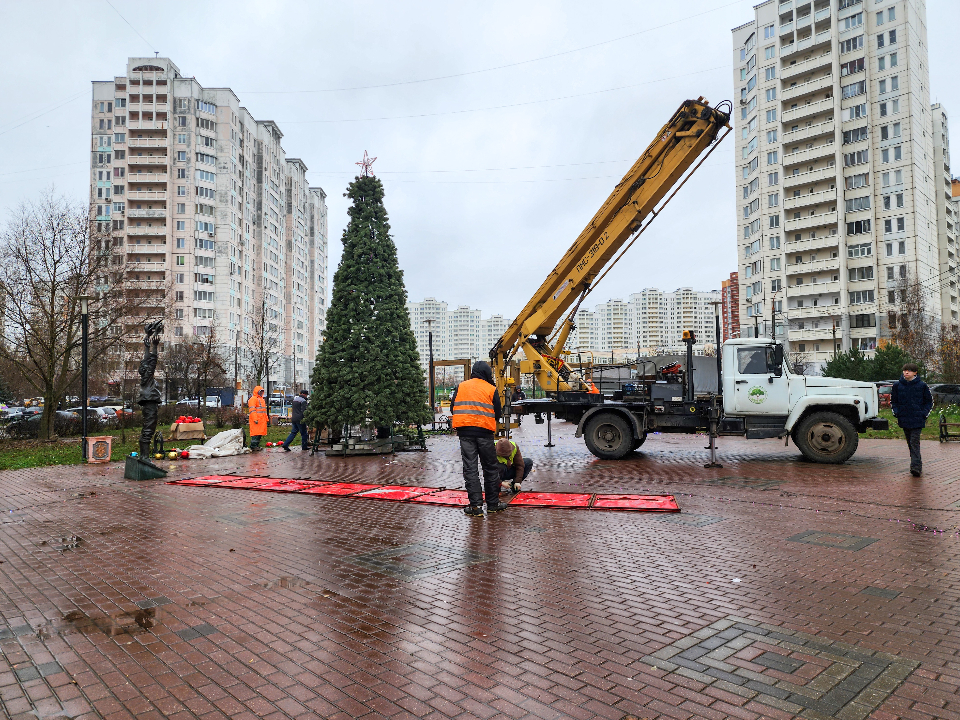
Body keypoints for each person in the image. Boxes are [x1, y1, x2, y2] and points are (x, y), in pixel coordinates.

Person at [450, 361, 508, 517]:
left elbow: (452, 407)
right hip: (485, 434)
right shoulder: (491, 388)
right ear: (487, 373)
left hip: (465, 434)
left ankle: (476, 507)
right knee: (490, 468)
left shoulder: (461, 386)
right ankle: (492, 504)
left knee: (470, 469)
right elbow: (498, 413)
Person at [891, 363, 933, 477]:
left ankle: (916, 467)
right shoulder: (897, 386)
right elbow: (893, 401)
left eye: (909, 370)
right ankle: (915, 463)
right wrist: (896, 412)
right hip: (904, 419)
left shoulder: (922, 386)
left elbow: (929, 401)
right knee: (910, 442)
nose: (906, 372)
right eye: (904, 370)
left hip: (917, 419)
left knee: (914, 442)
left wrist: (924, 414)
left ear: (915, 372)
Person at [248, 386, 268, 451]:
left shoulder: (262, 399)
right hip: (256, 420)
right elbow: (252, 410)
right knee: (255, 434)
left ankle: (256, 446)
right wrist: (255, 419)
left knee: (259, 434)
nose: (262, 393)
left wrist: (266, 419)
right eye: (260, 391)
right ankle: (253, 446)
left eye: (262, 391)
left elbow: (264, 411)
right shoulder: (253, 399)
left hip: (261, 420)